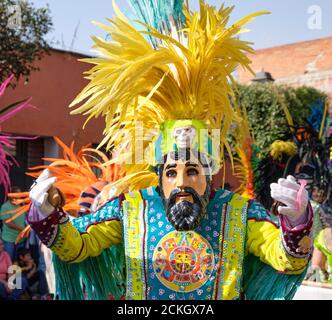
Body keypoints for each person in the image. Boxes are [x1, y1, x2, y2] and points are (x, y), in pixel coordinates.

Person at [26, 0, 313, 300]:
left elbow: (288, 258)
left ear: (209, 172)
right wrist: (45, 211)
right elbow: (75, 245)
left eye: (192, 170)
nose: (181, 182)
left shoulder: (239, 214)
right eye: (171, 171)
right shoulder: (131, 209)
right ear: (158, 174)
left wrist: (296, 221)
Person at [0, 187, 27, 260]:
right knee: (9, 261)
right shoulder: (5, 207)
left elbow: (26, 219)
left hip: (20, 239)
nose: (19, 196)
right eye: (17, 195)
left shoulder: (20, 205)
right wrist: (22, 229)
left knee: (18, 263)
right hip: (9, 240)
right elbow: (8, 223)